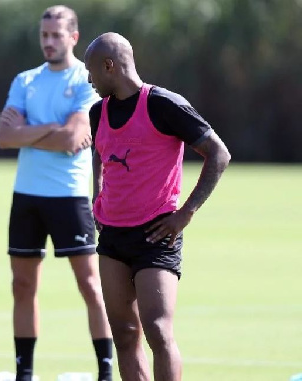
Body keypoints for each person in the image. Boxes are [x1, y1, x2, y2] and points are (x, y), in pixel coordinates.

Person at [84, 32, 231, 381]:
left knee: (157, 331)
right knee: (124, 334)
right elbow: (99, 155)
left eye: (91, 72)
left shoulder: (163, 104)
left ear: (110, 65)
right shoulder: (97, 112)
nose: (89, 80)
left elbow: (218, 154)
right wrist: (97, 195)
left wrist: (186, 212)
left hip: (157, 234)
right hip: (113, 238)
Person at [0, 6, 114, 381]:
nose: (48, 42)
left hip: (70, 197)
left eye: (56, 35)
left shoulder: (85, 79)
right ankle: (24, 373)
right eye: (44, 35)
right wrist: (53, 128)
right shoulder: (25, 80)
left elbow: (74, 139)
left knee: (91, 284)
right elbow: (4, 137)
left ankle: (106, 370)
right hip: (27, 196)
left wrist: (29, 130)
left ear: (73, 37)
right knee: (23, 285)